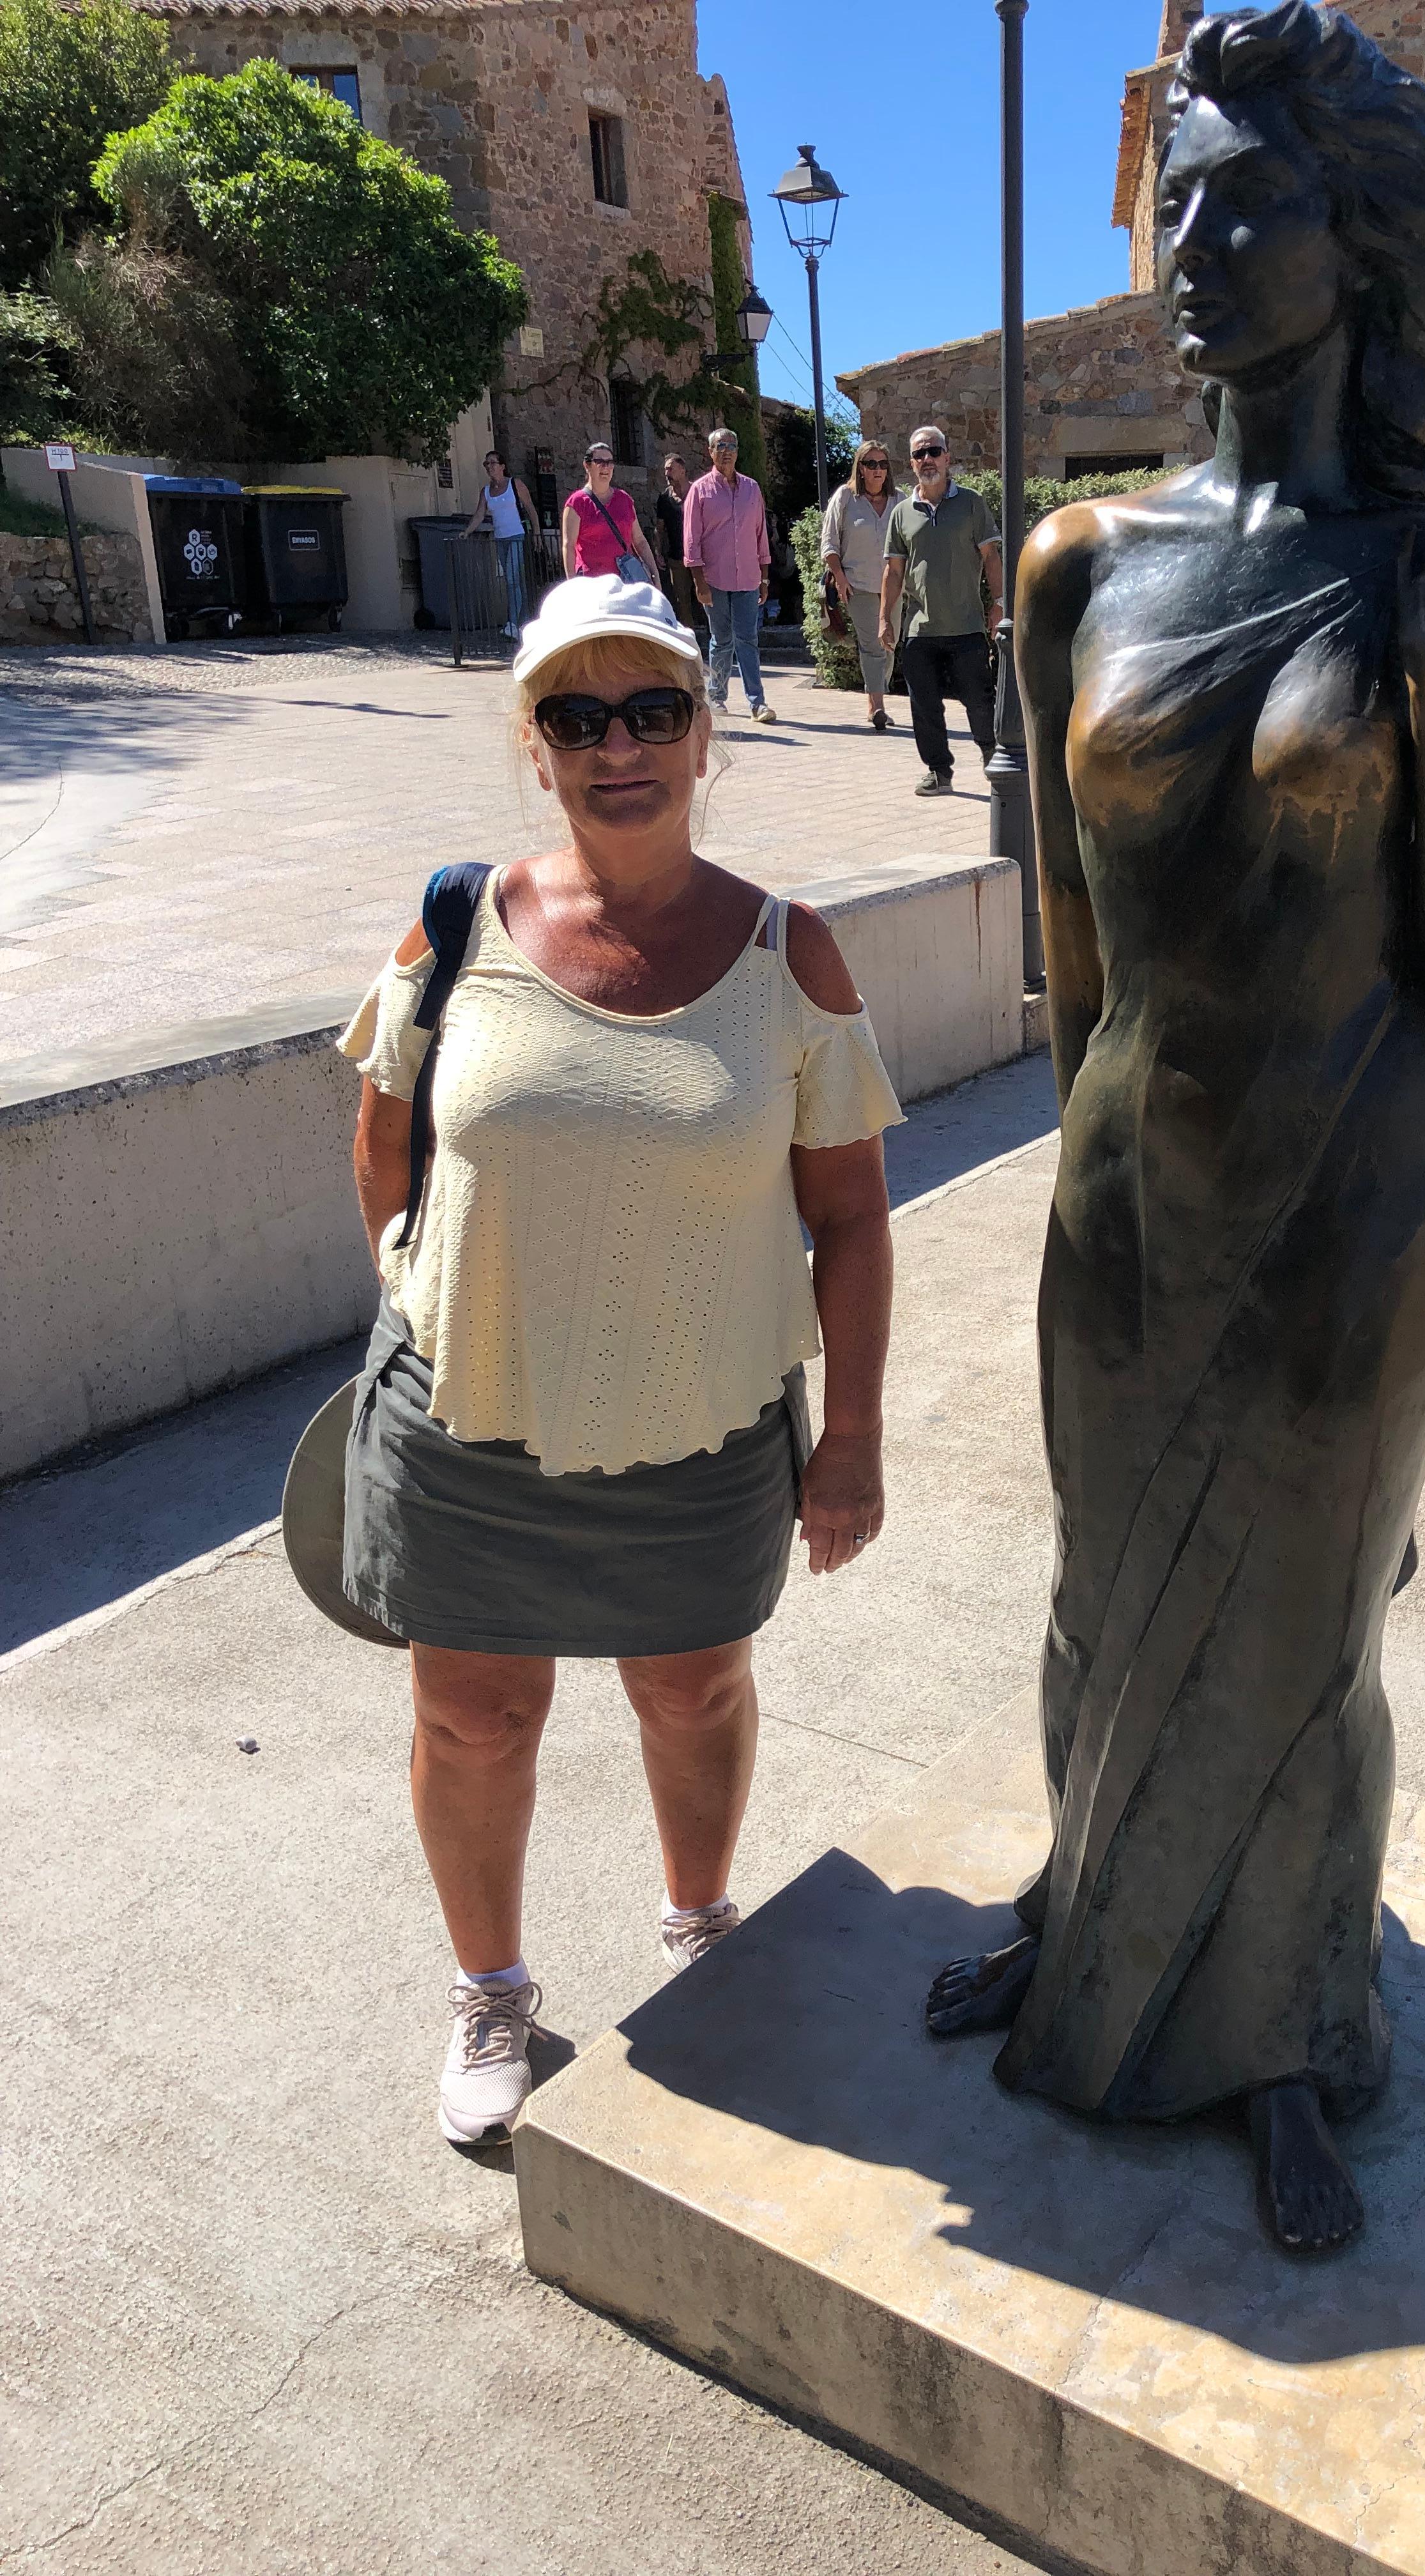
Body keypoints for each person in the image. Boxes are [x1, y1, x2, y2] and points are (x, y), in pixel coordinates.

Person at [923, 1, 1425, 2253]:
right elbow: (1074, 951)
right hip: (1126, 1174)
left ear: (1355, 246)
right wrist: (1089, 1156)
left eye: (1245, 200)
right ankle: (1088, 1916)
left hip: (1363, 1188)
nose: (1192, 243)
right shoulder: (1077, 562)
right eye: (1171, 197)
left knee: (1300, 1628)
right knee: (1105, 1592)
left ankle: (1289, 2026)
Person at [337, 572, 903, 2147]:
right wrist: (418, 1289)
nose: (620, 744)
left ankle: (703, 1928)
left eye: (654, 706)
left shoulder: (795, 956)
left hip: (703, 1429)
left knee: (693, 1686)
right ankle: (491, 1987)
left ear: (707, 731)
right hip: (470, 1425)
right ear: (536, 745)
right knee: (471, 1718)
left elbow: (849, 1220)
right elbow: (384, 1143)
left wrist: (849, 1436)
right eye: (578, 715)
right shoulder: (457, 921)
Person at [879, 427, 1000, 796]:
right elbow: (894, 571)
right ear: (912, 463)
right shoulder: (901, 513)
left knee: (980, 701)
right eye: (920, 454)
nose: (927, 459)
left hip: (966, 628)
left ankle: (992, 759)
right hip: (920, 631)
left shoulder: (972, 503)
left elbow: (991, 557)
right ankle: (938, 771)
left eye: (934, 452)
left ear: (948, 458)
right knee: (924, 707)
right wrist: (885, 618)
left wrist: (999, 604)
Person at [683, 426, 775, 725]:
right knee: (721, 640)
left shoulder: (752, 489)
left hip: (748, 577)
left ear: (738, 452)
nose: (726, 451)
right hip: (714, 579)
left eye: (732, 446)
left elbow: (761, 535)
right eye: (720, 446)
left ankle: (757, 703)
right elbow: (692, 540)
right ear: (710, 452)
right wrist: (699, 583)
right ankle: (717, 697)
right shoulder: (700, 490)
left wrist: (764, 577)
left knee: (748, 639)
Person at [821, 442, 899, 730]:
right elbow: (829, 542)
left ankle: (876, 698)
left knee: (890, 644)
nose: (878, 470)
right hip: (859, 585)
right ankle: (877, 707)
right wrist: (840, 578)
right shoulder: (845, 497)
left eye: (882, 464)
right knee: (872, 645)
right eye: (871, 464)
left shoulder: (899, 500)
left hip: (894, 587)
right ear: (861, 468)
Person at [461, 450, 540, 637]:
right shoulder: (486, 491)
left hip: (517, 536)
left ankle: (512, 623)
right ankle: (523, 622)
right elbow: (480, 514)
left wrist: (537, 533)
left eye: (493, 463)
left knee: (513, 579)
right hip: (501, 538)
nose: (489, 467)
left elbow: (530, 508)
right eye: (487, 464)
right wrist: (467, 531)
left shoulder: (515, 485)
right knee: (513, 581)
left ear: (502, 467)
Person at [562, 441, 659, 586]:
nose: (605, 467)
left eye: (609, 462)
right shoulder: (577, 503)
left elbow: (640, 541)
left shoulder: (625, 499)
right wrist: (572, 585)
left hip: (626, 582)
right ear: (587, 465)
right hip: (592, 584)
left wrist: (655, 575)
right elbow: (569, 546)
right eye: (599, 462)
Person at [655, 452, 709, 650]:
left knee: (706, 598)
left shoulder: (699, 492)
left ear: (683, 469)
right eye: (665, 470)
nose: (667, 472)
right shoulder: (664, 499)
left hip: (702, 558)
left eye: (671, 468)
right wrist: (658, 551)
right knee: (682, 601)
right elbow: (660, 528)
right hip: (677, 557)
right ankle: (691, 646)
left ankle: (716, 642)